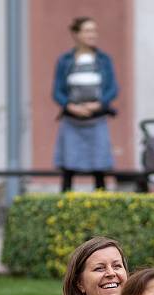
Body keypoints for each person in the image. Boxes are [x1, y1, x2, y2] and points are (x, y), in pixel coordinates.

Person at [52, 16, 118, 192]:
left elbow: (112, 88)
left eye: (94, 31)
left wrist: (98, 104)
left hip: (96, 119)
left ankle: (101, 207)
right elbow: (57, 90)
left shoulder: (104, 59)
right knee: (69, 166)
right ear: (76, 34)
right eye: (88, 31)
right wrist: (69, 106)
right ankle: (65, 208)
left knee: (99, 167)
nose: (93, 35)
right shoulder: (65, 60)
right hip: (72, 120)